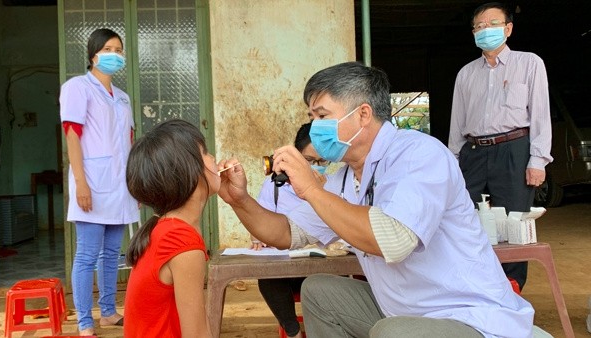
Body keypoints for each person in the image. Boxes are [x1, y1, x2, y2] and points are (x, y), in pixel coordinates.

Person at [218, 61, 534, 337]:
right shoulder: (344, 178)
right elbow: (285, 233)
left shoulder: (418, 154)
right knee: (319, 292)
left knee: (393, 332)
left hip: (467, 318)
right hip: (401, 312)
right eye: (312, 116)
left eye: (323, 115)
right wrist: (240, 200)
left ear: (364, 114)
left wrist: (311, 190)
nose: (315, 128)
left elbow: (393, 241)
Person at [448, 2, 552, 291]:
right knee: (464, 217)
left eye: (492, 24)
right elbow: (457, 123)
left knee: (513, 221)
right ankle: (473, 284)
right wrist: (453, 162)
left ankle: (512, 286)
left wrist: (537, 161)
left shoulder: (529, 63)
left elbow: (540, 115)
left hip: (514, 149)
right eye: (479, 26)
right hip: (474, 152)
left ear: (508, 29)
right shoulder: (466, 74)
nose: (485, 31)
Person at [59, 28, 139, 336]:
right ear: (93, 55)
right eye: (108, 49)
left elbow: (129, 143)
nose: (115, 55)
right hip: (91, 182)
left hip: (120, 186)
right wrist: (80, 183)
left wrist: (135, 184)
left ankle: (107, 311)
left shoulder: (122, 97)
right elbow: (72, 136)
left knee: (112, 253)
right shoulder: (77, 88)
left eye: (119, 50)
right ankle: (84, 319)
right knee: (87, 254)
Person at [123, 119, 218, 338]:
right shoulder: (182, 242)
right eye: (204, 153)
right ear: (189, 171)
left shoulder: (166, 230)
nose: (213, 158)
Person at [251, 122, 329, 338]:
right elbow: (259, 224)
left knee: (328, 281)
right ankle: (292, 331)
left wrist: (321, 193)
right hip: (285, 266)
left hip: (318, 266)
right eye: (310, 161)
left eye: (322, 161)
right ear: (296, 157)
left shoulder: (330, 187)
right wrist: (258, 236)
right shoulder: (274, 186)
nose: (316, 166)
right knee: (267, 278)